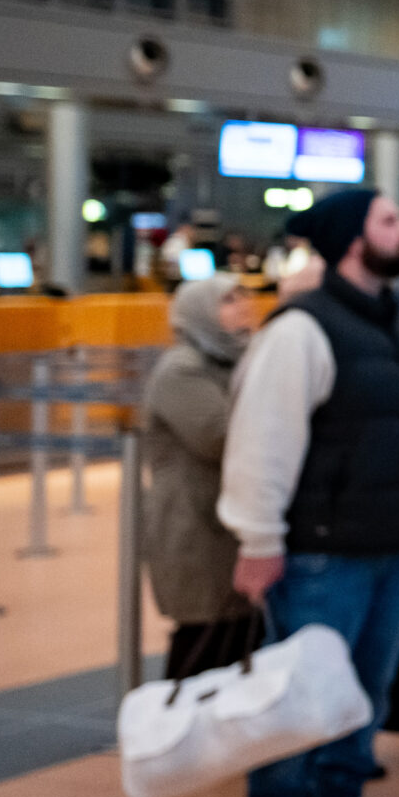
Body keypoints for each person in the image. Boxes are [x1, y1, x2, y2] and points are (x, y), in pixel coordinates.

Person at [219, 189, 399, 797]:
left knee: (364, 690)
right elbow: (263, 443)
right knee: (295, 694)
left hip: (393, 543)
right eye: (388, 221)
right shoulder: (300, 331)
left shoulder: (398, 323)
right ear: (351, 239)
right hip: (321, 550)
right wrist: (259, 539)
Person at [141, 275, 261, 678]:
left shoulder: (240, 358)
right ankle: (177, 734)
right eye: (227, 300)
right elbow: (218, 437)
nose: (242, 304)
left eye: (243, 295)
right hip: (194, 526)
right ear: (199, 314)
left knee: (237, 634)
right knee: (204, 637)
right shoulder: (182, 369)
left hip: (228, 520)